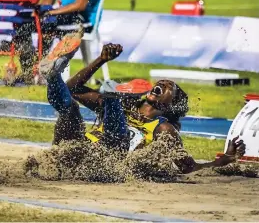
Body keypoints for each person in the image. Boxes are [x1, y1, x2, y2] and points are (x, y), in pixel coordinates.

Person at [38, 31, 246, 174]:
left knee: (117, 130)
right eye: (162, 82)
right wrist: (101, 60)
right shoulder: (128, 105)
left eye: (169, 87)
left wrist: (223, 160)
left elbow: (188, 167)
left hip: (105, 161)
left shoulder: (163, 128)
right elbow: (73, 89)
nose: (163, 83)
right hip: (75, 150)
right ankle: (53, 74)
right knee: (70, 109)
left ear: (169, 105)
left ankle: (109, 96)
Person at [12, 0, 102, 83]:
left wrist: (50, 13)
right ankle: (29, 71)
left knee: (49, 23)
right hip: (62, 15)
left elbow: (80, 4)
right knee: (23, 25)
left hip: (83, 19)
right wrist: (36, 13)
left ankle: (45, 72)